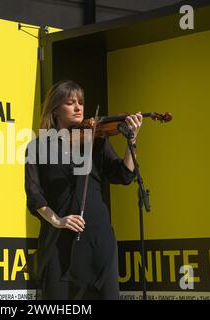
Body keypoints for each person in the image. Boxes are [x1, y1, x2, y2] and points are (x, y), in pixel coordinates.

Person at [24, 80, 143, 300]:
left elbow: (123, 175)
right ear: (55, 109)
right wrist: (56, 220)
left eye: (81, 102)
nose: (79, 108)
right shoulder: (37, 147)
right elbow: (34, 194)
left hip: (98, 240)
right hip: (59, 243)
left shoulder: (95, 140)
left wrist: (131, 141)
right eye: (70, 103)